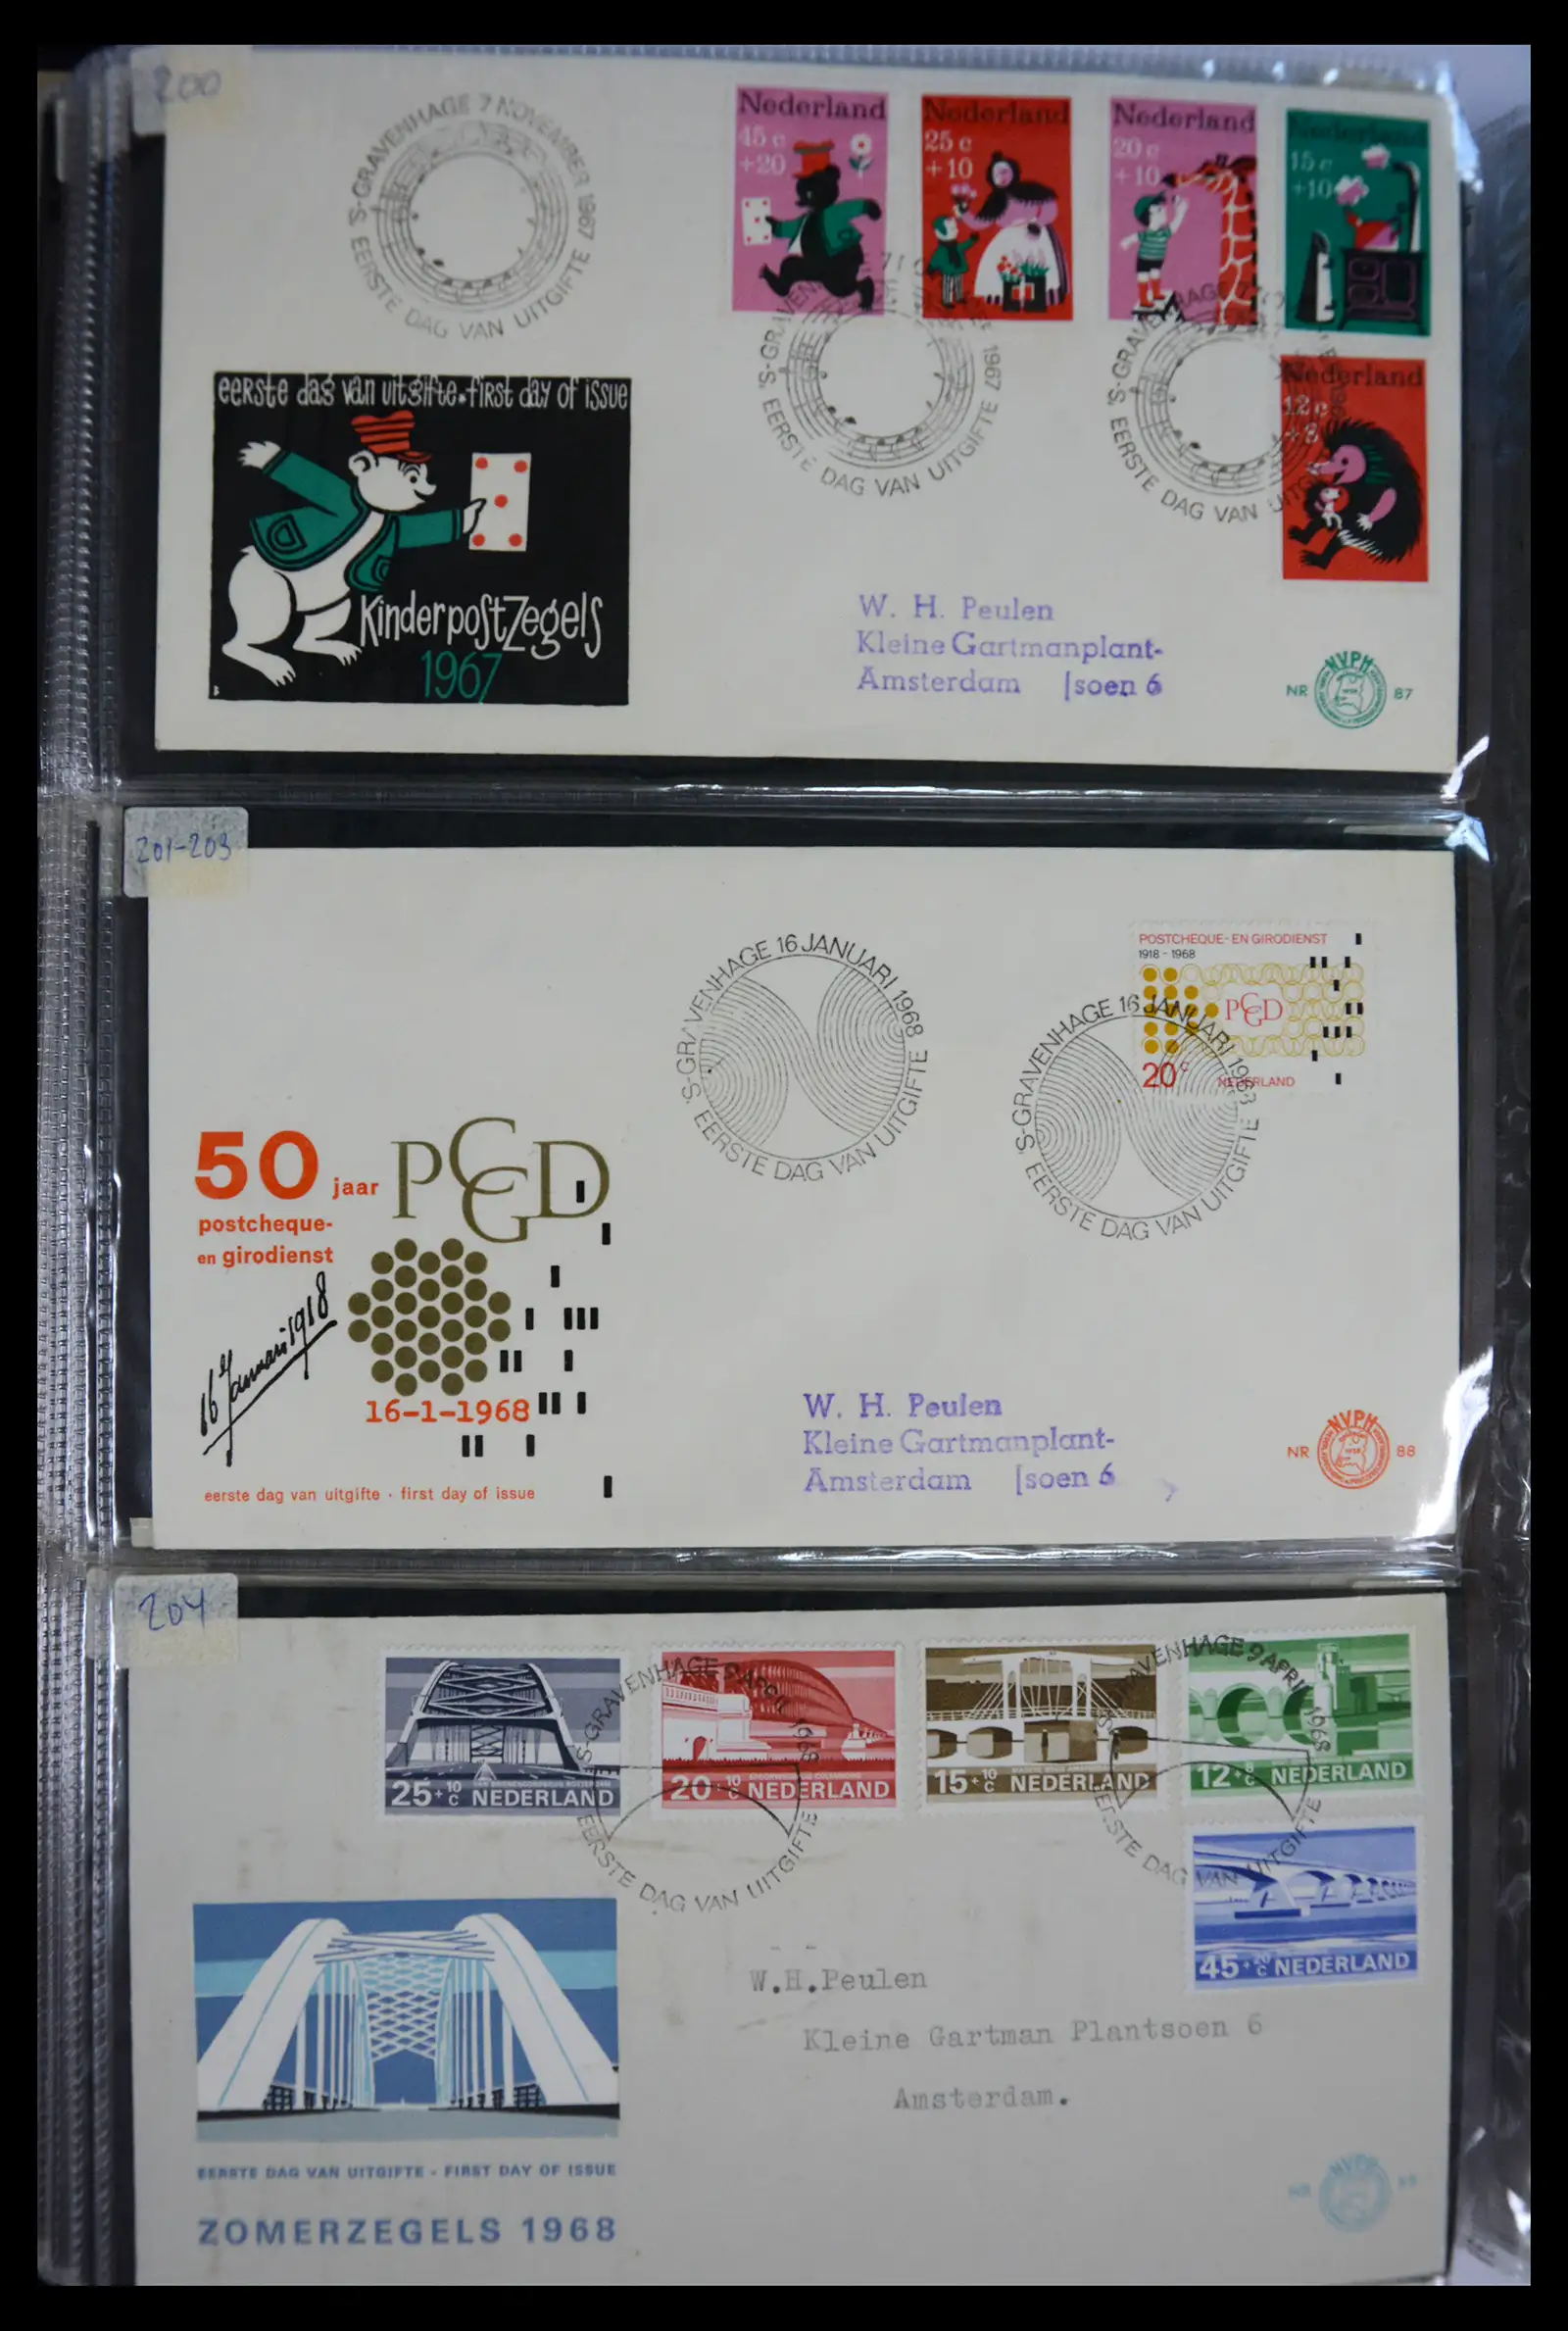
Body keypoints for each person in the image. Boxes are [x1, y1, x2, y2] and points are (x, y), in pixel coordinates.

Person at [1121, 189, 1188, 314]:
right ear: (1148, 216)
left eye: (1162, 208)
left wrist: (1180, 213)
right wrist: (1127, 242)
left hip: (1158, 259)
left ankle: (1156, 293)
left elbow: (1174, 226)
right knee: (1143, 278)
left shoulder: (1164, 232)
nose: (1164, 211)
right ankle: (1143, 299)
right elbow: (1135, 237)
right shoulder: (1146, 234)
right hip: (1144, 260)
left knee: (1156, 275)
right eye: (1158, 210)